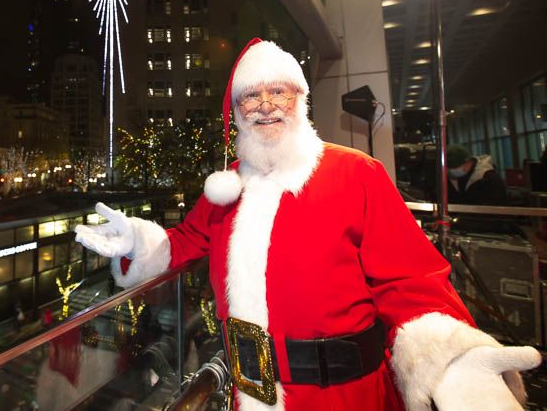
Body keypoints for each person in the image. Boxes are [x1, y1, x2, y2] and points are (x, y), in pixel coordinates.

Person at [75, 39, 541, 411]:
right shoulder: (227, 188)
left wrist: (454, 364)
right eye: (250, 96)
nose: (264, 105)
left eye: (277, 91)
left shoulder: (356, 173)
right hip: (248, 391)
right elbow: (186, 241)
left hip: (343, 398)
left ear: (300, 99)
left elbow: (412, 280)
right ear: (236, 113)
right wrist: (137, 239)